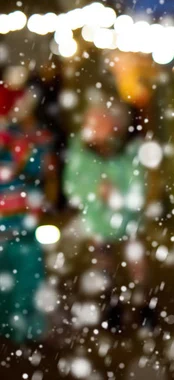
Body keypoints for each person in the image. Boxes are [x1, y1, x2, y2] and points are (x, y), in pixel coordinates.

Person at [63, 100, 151, 329]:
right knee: (103, 264)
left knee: (136, 262)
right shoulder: (80, 152)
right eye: (95, 122)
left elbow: (137, 180)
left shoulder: (125, 150)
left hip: (127, 217)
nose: (100, 126)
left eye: (104, 121)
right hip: (97, 220)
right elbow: (71, 184)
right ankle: (112, 307)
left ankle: (143, 306)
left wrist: (120, 194)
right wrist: (94, 189)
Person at [0, 82, 57, 343]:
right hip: (8, 221)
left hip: (25, 220)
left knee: (26, 279)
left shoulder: (36, 138)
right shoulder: (10, 136)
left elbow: (43, 172)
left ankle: (25, 331)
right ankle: (11, 330)